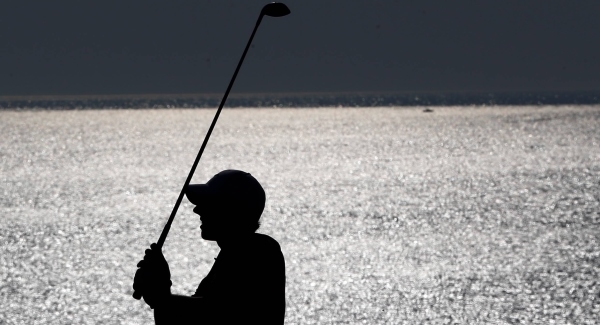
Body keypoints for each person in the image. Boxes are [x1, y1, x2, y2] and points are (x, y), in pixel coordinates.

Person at [133, 170, 286, 325]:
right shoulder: (232, 253)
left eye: (209, 203)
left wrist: (161, 297)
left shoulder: (260, 251)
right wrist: (161, 287)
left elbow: (217, 314)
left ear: (231, 211)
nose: (197, 209)